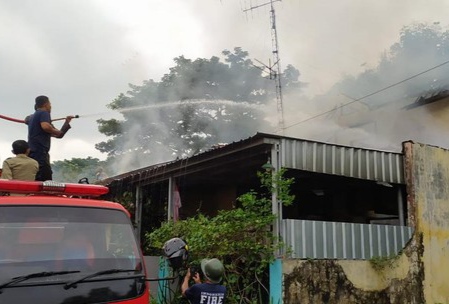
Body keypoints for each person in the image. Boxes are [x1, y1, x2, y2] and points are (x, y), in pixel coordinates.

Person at [27, 95, 73, 181]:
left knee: (39, 175)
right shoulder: (44, 113)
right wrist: (57, 131)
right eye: (50, 104)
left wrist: (66, 122)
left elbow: (59, 135)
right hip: (40, 151)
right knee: (44, 179)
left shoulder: (32, 117)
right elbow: (46, 127)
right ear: (46, 104)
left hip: (33, 152)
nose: (51, 106)